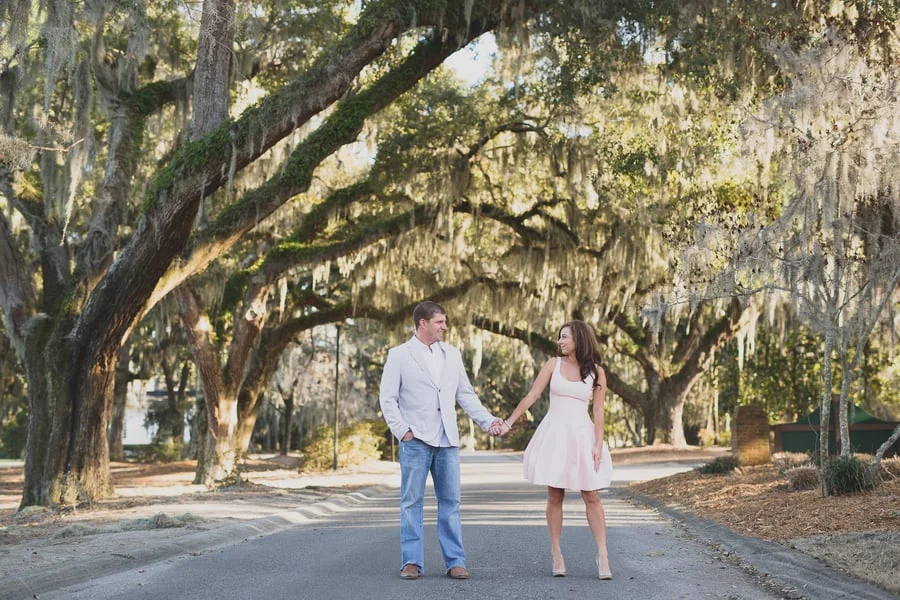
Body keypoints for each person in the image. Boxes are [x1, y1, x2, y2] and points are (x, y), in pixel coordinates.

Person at [379, 301, 504, 581]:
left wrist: (487, 421)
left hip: (447, 440)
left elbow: (466, 394)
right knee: (411, 502)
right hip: (415, 439)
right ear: (423, 323)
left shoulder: (452, 354)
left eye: (444, 322)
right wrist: (403, 431)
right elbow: (388, 399)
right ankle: (411, 562)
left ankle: (455, 561)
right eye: (440, 322)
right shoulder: (399, 355)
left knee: (451, 502)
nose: (445, 327)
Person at [492, 320, 613, 579]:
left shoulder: (597, 372)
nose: (560, 341)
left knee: (591, 495)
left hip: (582, 435)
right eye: (559, 337)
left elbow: (599, 410)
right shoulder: (552, 365)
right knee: (555, 495)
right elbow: (533, 395)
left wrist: (598, 442)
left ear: (579, 339)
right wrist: (508, 422)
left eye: (565, 337)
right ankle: (556, 553)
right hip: (555, 434)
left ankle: (602, 554)